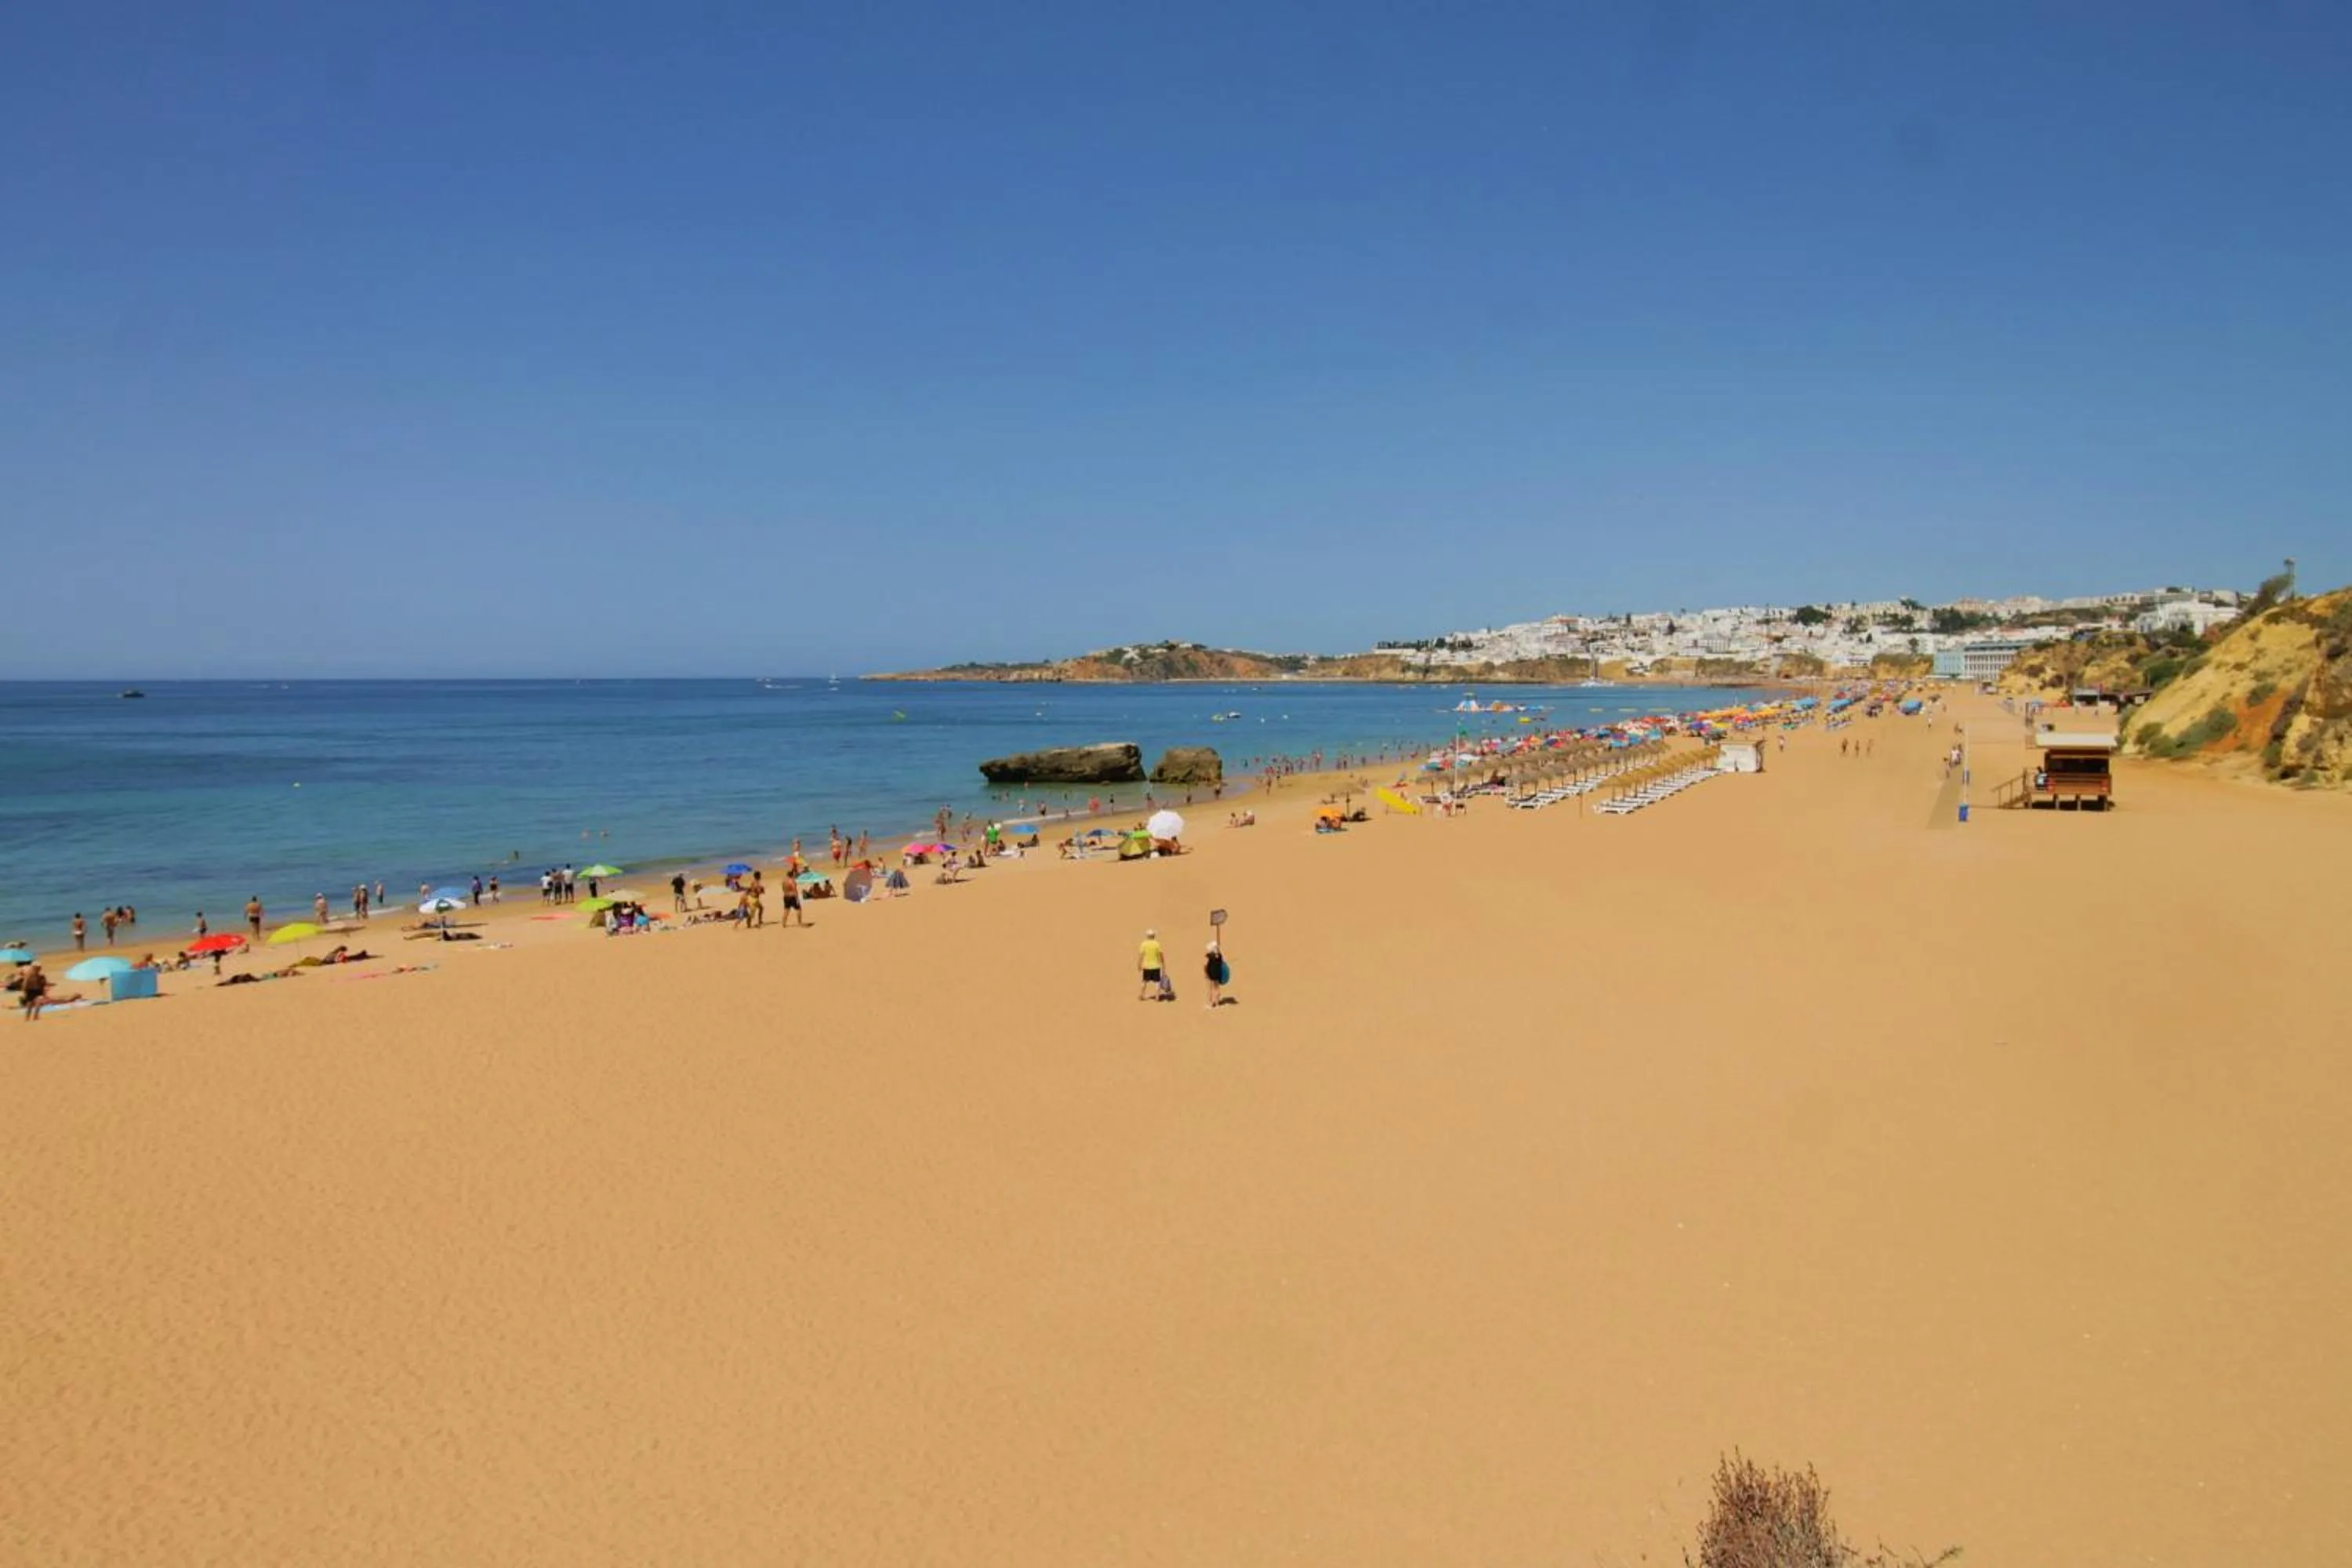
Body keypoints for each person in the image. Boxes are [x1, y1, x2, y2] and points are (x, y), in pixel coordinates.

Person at [1138, 929, 1166, 1002]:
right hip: (1156, 966)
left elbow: (1141, 955)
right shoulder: (1157, 944)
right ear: (1154, 936)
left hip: (1146, 966)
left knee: (1144, 981)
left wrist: (1139, 964)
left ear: (1147, 936)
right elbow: (1160, 955)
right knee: (1157, 982)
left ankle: (1142, 995)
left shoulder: (1144, 944)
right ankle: (1157, 997)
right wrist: (1163, 964)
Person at [1203, 941, 1229, 1009]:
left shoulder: (1209, 956)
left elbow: (1205, 965)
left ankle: (1211, 1004)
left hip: (1211, 973)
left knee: (1210, 988)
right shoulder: (1219, 956)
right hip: (1218, 973)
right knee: (1217, 988)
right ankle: (1217, 1003)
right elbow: (1221, 962)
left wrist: (1205, 974)